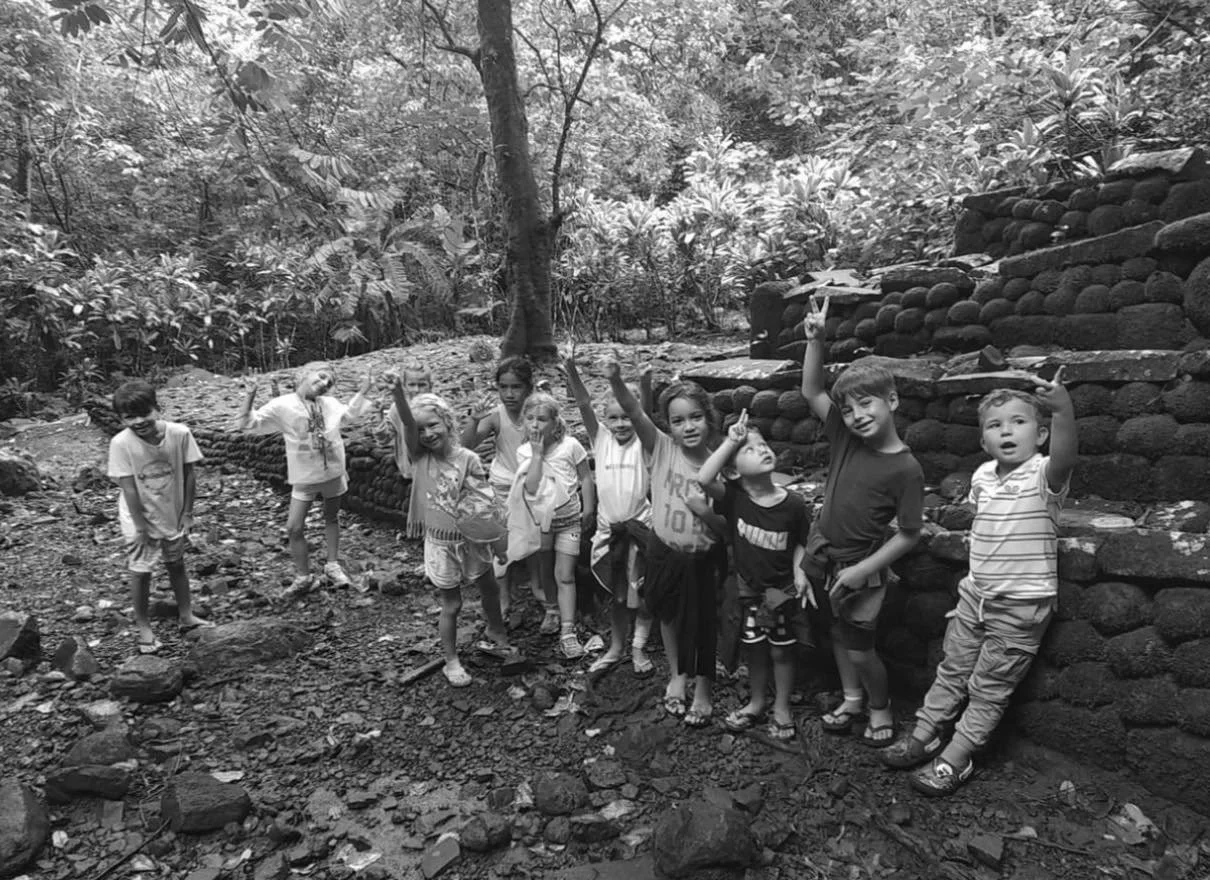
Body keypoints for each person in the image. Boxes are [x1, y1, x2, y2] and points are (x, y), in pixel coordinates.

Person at [882, 375, 1077, 796]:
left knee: (988, 687)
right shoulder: (983, 476)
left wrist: (1062, 410)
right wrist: (970, 592)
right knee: (952, 668)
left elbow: (1065, 457)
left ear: (1041, 434)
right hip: (975, 598)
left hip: (1022, 606)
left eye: (1018, 421)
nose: (1006, 430)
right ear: (984, 441)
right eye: (994, 425)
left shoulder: (1045, 475)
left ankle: (958, 755)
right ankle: (925, 732)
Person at [798, 295, 924, 746]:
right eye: (848, 410)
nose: (857, 416)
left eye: (866, 404)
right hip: (824, 555)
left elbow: (911, 533)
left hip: (860, 567)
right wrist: (816, 341)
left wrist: (862, 571)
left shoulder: (905, 468)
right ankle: (851, 698)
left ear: (892, 399)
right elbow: (812, 391)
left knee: (861, 646)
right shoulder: (847, 438)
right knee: (835, 631)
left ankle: (880, 707)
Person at [605, 355, 727, 728]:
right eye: (677, 420)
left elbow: (729, 525)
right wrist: (615, 380)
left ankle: (703, 688)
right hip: (663, 550)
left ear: (709, 418)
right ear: (667, 425)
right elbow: (633, 411)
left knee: (703, 624)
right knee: (668, 616)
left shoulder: (722, 460)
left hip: (702, 557)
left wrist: (705, 514)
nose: (687, 427)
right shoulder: (662, 449)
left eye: (695, 417)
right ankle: (677, 673)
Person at [697, 410, 812, 741]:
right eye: (750, 449)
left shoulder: (794, 504)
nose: (762, 450)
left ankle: (782, 707)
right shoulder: (735, 498)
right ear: (734, 470)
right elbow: (704, 479)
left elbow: (801, 544)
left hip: (782, 592)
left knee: (782, 649)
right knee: (754, 648)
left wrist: (799, 574)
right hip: (749, 590)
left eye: (763, 445)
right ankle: (757, 701)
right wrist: (732, 441)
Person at [393, 385, 512, 687]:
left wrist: (498, 543)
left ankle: (496, 632)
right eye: (421, 430)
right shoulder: (420, 458)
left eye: (433, 424)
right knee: (452, 605)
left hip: (472, 541)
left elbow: (485, 503)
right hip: (440, 544)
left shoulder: (468, 458)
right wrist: (397, 391)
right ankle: (451, 660)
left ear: (447, 422)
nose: (428, 433)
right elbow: (407, 423)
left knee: (489, 588)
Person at [236, 362, 372, 594]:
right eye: (320, 377)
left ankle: (332, 564)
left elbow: (348, 415)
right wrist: (250, 394)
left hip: (334, 472)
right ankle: (303, 576)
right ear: (304, 374)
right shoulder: (282, 405)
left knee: (331, 517)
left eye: (328, 383)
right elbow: (248, 424)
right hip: (305, 476)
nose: (323, 384)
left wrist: (364, 390)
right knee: (294, 527)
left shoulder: (329, 404)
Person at [564, 354, 655, 676]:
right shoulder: (600, 439)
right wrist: (571, 369)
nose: (620, 424)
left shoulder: (643, 444)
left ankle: (639, 646)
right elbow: (584, 403)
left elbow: (642, 410)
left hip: (640, 531)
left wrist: (644, 383)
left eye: (625, 417)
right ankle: (617, 647)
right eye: (613, 418)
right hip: (608, 533)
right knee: (617, 596)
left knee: (642, 596)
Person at [107, 380, 211, 654]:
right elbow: (128, 487)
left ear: (157, 408)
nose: (139, 421)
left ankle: (186, 614)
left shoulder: (179, 434)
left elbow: (189, 474)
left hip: (170, 508)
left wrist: (188, 513)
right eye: (130, 417)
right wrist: (140, 528)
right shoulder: (121, 444)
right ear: (121, 419)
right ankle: (143, 625)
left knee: (176, 563)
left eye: (145, 413)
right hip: (137, 514)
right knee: (141, 570)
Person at [509, 392, 595, 659]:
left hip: (569, 520)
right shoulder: (523, 451)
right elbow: (531, 487)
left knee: (565, 574)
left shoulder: (570, 446)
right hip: (540, 523)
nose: (535, 425)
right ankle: (551, 609)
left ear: (555, 422)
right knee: (546, 568)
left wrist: (589, 507)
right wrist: (536, 455)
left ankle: (568, 631)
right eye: (530, 418)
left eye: (542, 419)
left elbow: (586, 477)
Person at [462, 356, 534, 622]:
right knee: (500, 546)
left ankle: (541, 594)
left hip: (533, 486)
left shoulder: (537, 412)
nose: (509, 394)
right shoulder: (496, 417)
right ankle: (503, 597)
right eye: (503, 387)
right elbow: (466, 446)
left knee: (537, 544)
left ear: (528, 387)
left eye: (516, 387)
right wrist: (473, 420)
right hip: (503, 488)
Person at [373, 361, 433, 484]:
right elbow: (384, 439)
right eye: (412, 385)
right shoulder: (396, 409)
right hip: (410, 470)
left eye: (422, 385)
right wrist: (379, 415)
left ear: (430, 385)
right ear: (404, 386)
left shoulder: (437, 407)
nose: (417, 390)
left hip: (433, 468)